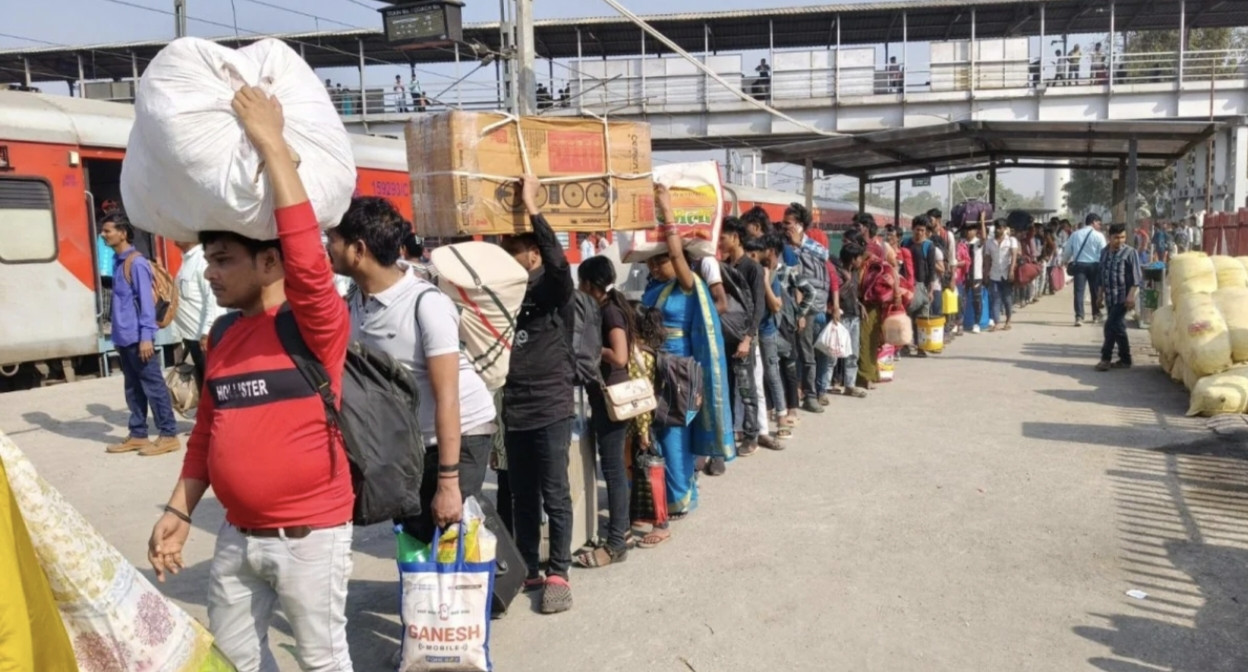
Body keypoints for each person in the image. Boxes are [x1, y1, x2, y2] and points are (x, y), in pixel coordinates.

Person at [147, 86, 355, 671]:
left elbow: (309, 264)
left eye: (222, 260)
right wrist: (180, 511)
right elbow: (206, 435)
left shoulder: (315, 324)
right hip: (237, 537)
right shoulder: (224, 336)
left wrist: (270, 143)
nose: (209, 274)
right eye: (208, 260)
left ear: (269, 262)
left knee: (320, 661)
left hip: (309, 538)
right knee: (235, 659)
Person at [327, 196, 497, 549]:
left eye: (333, 239)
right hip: (411, 438)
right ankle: (429, 600)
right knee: (414, 528)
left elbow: (447, 398)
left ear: (358, 250)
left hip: (461, 430)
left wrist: (448, 482)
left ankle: (466, 596)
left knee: (449, 526)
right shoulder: (355, 301)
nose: (327, 247)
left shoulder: (426, 304)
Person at [499, 174, 576, 614]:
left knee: (554, 491)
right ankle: (528, 565)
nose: (511, 262)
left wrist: (531, 207)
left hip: (550, 405)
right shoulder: (504, 295)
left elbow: (560, 265)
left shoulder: (552, 289)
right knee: (520, 495)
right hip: (515, 408)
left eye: (516, 254)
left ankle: (559, 571)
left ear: (533, 254)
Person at [642, 186, 734, 517]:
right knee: (661, 432)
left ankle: (679, 497)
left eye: (660, 260)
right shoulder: (654, 288)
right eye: (651, 261)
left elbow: (679, 256)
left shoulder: (686, 282)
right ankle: (674, 491)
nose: (655, 267)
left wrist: (667, 211)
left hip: (678, 367)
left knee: (673, 431)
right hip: (657, 366)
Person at [100, 213, 181, 457]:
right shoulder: (117, 261)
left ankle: (168, 434)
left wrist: (147, 336)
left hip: (138, 338)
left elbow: (146, 304)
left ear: (123, 233)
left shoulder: (136, 264)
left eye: (108, 231)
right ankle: (138, 434)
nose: (103, 235)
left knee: (153, 386)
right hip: (124, 337)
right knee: (133, 388)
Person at [573, 256, 635, 568]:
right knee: (612, 467)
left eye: (580, 282)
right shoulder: (608, 305)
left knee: (612, 469)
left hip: (613, 397)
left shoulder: (609, 310)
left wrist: (592, 349)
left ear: (588, 284)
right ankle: (621, 531)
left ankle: (616, 543)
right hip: (606, 396)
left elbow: (620, 356)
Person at [719, 217, 767, 456]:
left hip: (743, 338)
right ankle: (728, 433)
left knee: (747, 389)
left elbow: (759, 307)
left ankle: (751, 436)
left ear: (736, 237)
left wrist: (748, 338)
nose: (720, 242)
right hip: (725, 337)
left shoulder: (752, 267)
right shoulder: (723, 266)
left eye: (723, 237)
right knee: (726, 387)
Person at [782, 203, 830, 413]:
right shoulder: (782, 246)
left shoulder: (813, 247)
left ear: (800, 225)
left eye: (789, 223)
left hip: (807, 306)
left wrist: (799, 245)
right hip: (786, 304)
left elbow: (824, 259)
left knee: (806, 350)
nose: (785, 227)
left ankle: (810, 394)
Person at [173, 239, 225, 391]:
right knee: (205, 385)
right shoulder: (187, 260)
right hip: (192, 337)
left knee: (213, 385)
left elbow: (212, 298)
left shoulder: (201, 260)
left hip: (203, 338)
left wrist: (207, 331)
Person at [1096, 224, 1142, 372]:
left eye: (1122, 237)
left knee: (1110, 326)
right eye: (1116, 237)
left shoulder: (1130, 252)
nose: (1120, 240)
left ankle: (1105, 358)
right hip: (1110, 296)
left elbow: (1136, 277)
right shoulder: (1104, 252)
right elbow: (1102, 276)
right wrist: (1099, 295)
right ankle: (1125, 359)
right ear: (1109, 237)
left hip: (1123, 297)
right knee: (1119, 327)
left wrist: (1131, 296)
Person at [1062, 212, 1107, 326]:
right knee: (1095, 291)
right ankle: (1096, 315)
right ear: (1093, 222)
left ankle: (1079, 317)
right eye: (1098, 223)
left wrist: (1065, 260)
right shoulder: (1099, 236)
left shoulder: (1075, 234)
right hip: (1094, 266)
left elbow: (1068, 250)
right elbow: (1103, 252)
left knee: (1078, 292)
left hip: (1079, 266)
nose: (1099, 225)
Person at [836, 241, 868, 398]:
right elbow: (836, 295)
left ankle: (850, 384)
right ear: (853, 259)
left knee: (853, 353)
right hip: (841, 317)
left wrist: (859, 304)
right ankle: (826, 386)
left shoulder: (855, 273)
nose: (861, 261)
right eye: (859, 258)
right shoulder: (838, 273)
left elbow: (854, 294)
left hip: (854, 316)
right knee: (832, 353)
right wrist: (847, 281)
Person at [985, 220, 1019, 331]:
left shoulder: (1011, 240)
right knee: (995, 299)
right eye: (996, 227)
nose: (998, 230)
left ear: (1004, 228)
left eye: (1000, 227)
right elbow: (987, 259)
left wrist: (1011, 271)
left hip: (1006, 274)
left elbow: (1014, 256)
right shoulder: (989, 242)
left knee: (1007, 299)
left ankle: (1008, 321)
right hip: (994, 274)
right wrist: (986, 272)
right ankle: (996, 322)